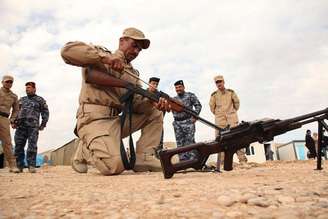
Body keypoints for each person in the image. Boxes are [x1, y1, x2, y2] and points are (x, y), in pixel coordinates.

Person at [61, 27, 169, 175]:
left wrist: (151, 101)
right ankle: (86, 147)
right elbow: (67, 51)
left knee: (155, 111)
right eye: (134, 45)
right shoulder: (101, 55)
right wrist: (104, 58)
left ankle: (144, 157)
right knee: (114, 165)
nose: (136, 51)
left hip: (115, 121)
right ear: (122, 41)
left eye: (140, 49)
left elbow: (137, 106)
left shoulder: (134, 75)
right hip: (94, 119)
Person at [209, 75, 247, 169]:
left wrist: (232, 112)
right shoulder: (214, 95)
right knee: (221, 141)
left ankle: (242, 161)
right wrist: (219, 114)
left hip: (232, 120)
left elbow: (237, 103)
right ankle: (222, 163)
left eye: (220, 81)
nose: (219, 84)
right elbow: (212, 108)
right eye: (217, 82)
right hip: (220, 121)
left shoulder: (231, 93)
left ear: (223, 81)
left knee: (237, 139)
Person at [14, 81, 49, 173]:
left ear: (34, 89)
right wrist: (13, 121)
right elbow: (15, 111)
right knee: (19, 146)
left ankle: (31, 166)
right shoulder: (21, 100)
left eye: (29, 88)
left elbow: (45, 113)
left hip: (33, 127)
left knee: (32, 146)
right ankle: (19, 166)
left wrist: (43, 124)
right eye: (26, 88)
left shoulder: (40, 100)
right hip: (20, 126)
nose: (27, 89)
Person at [172, 80, 202, 161]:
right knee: (180, 144)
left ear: (184, 87)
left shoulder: (190, 95)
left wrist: (195, 116)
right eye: (176, 88)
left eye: (180, 87)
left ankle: (193, 161)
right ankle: (183, 162)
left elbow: (198, 105)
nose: (178, 89)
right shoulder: (173, 99)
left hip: (188, 122)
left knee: (190, 142)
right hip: (177, 123)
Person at [0, 75, 20, 173]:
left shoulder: (14, 96)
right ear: (2, 82)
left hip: (4, 119)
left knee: (7, 142)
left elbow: (16, 110)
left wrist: (12, 118)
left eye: (11, 82)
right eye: (7, 81)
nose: (9, 83)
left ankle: (12, 165)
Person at [148, 77, 164, 158]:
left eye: (156, 84)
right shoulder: (143, 92)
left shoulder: (160, 95)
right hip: (146, 122)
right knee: (147, 141)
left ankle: (159, 160)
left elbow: (163, 108)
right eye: (153, 83)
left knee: (159, 142)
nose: (155, 85)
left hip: (157, 122)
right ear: (149, 83)